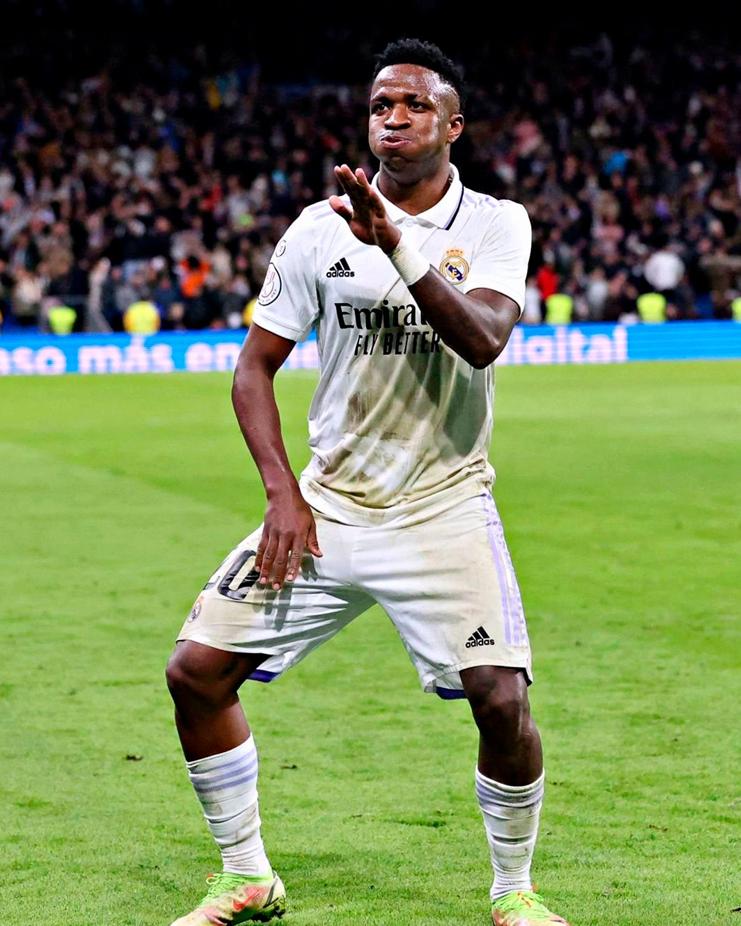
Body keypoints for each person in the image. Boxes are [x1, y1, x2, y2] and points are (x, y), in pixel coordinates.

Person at [165, 38, 569, 926]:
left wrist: (397, 246)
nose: (392, 118)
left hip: (443, 504)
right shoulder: (315, 229)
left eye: (414, 105)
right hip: (330, 509)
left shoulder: (495, 223)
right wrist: (282, 493)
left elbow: (483, 339)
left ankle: (514, 892)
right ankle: (247, 875)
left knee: (501, 700)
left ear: (452, 124)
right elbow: (252, 369)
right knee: (195, 671)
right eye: (381, 105)